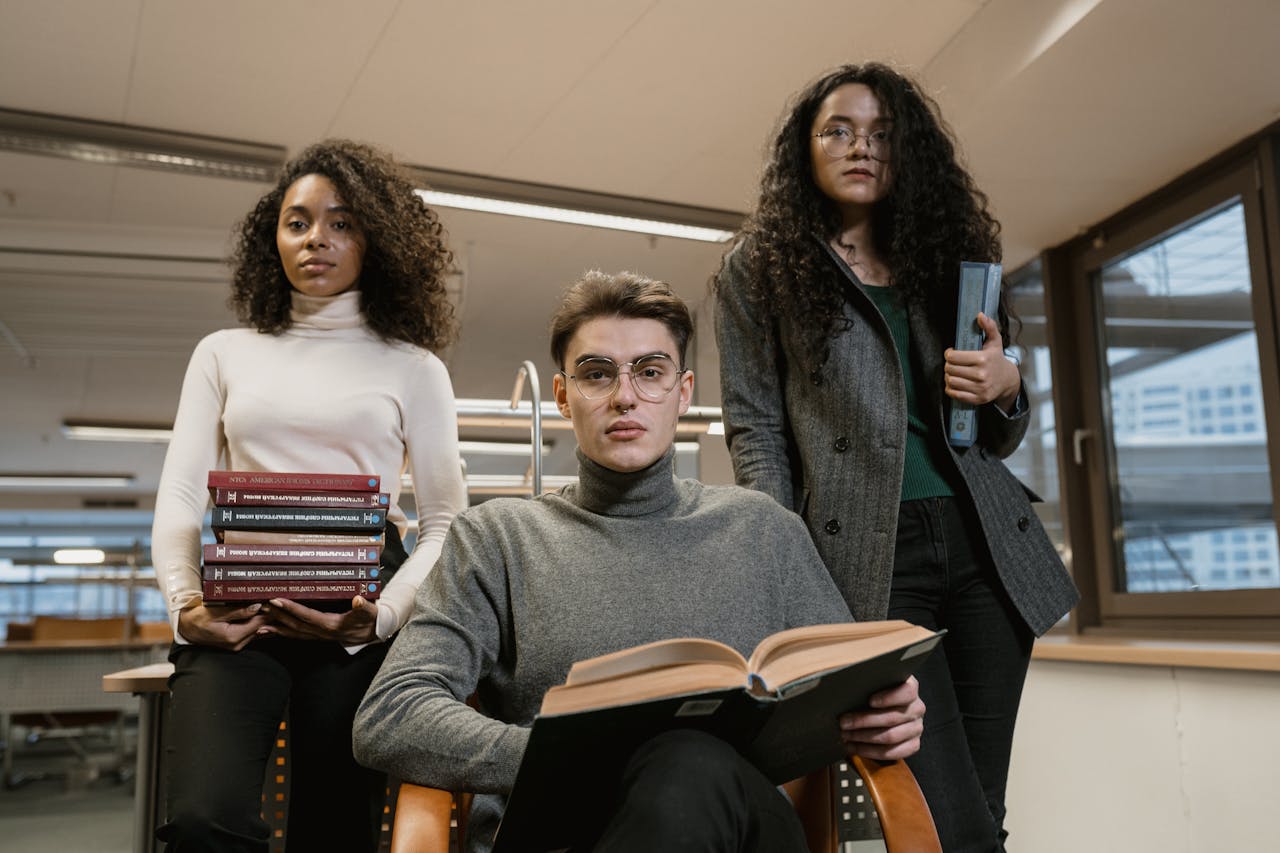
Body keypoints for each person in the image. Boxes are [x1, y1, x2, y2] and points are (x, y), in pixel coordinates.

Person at [354, 271, 925, 853]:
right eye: (596, 374)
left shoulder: (764, 531)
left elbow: (851, 690)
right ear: (561, 395)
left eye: (650, 372)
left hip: (740, 832)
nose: (624, 396)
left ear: (682, 391)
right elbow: (391, 714)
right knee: (678, 756)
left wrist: (891, 711)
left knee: (689, 761)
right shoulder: (497, 538)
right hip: (558, 832)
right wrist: (567, 753)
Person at [713, 63, 1079, 852]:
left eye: (881, 134)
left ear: (906, 150)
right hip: (871, 556)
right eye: (837, 130)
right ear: (805, 148)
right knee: (942, 813)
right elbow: (755, 428)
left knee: (982, 808)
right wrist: (783, 552)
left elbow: (997, 434)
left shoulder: (946, 255)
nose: (860, 147)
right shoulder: (760, 265)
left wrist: (1009, 381)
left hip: (987, 547)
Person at [149, 139, 468, 853]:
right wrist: (184, 608)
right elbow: (179, 491)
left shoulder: (415, 368)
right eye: (297, 222)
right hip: (238, 600)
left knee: (336, 830)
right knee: (206, 820)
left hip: (355, 612)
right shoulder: (224, 351)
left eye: (341, 222)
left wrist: (381, 617)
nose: (316, 238)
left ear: (375, 239)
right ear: (274, 237)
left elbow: (446, 523)